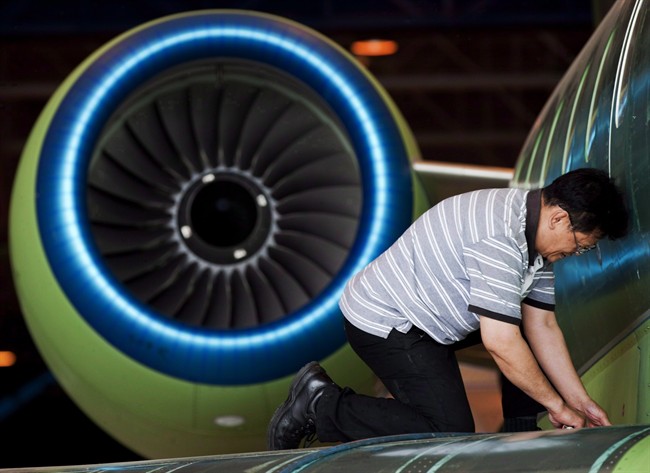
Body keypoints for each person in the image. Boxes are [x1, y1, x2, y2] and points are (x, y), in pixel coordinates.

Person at [267, 167, 629, 450]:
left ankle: (523, 434)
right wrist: (558, 407)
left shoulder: (536, 241)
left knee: (521, 337)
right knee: (446, 430)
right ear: (560, 219)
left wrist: (579, 402)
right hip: (388, 321)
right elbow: (500, 342)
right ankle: (320, 403)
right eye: (581, 244)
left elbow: (543, 327)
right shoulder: (499, 234)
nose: (575, 253)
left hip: (430, 315)